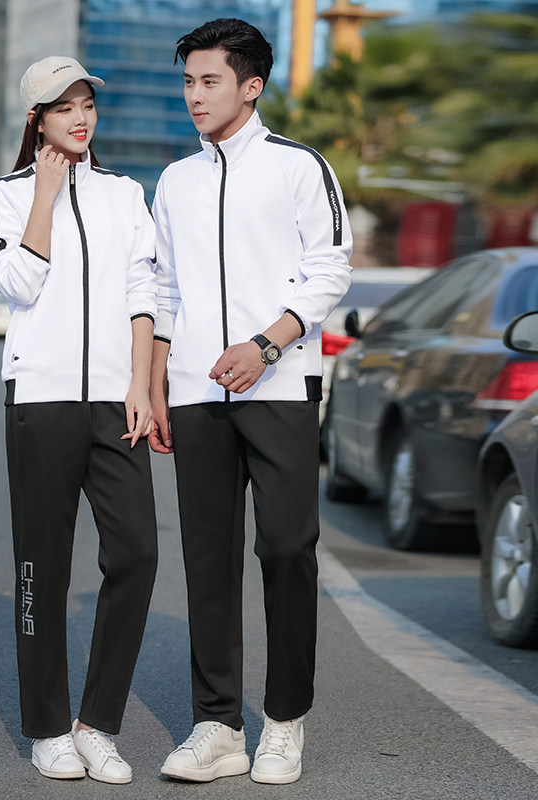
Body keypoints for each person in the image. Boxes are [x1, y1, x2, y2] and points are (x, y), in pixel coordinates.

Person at [149, 19, 352, 785]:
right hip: (195, 392)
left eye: (209, 81)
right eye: (188, 82)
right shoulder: (176, 181)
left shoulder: (299, 167)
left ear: (251, 85)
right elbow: (164, 289)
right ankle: (218, 725)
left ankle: (286, 722)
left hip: (281, 385)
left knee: (288, 549)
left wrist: (267, 345)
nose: (195, 96)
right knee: (207, 558)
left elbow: (330, 270)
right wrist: (157, 383)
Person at [0, 56, 158, 785]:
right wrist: (46, 196)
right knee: (41, 566)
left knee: (137, 555)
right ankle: (48, 728)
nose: (81, 117)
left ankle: (97, 724)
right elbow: (19, 284)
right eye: (64, 107)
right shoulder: (3, 196)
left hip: (116, 400)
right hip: (41, 399)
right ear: (37, 119)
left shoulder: (125, 193)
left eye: (87, 103)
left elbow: (144, 289)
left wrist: (142, 383)